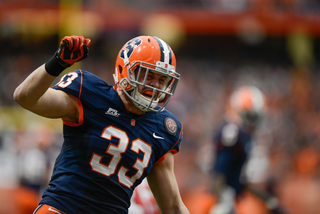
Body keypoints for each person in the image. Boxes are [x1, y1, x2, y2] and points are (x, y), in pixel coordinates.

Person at [14, 35, 189, 214]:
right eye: (148, 75)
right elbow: (25, 98)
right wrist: (57, 63)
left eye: (162, 79)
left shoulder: (163, 129)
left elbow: (174, 207)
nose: (155, 85)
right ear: (125, 70)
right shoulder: (91, 94)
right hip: (62, 208)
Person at [209, 86, 285, 214]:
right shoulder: (232, 133)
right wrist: (222, 203)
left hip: (232, 199)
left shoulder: (244, 137)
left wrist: (268, 200)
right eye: (250, 117)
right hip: (223, 198)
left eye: (256, 117)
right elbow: (220, 174)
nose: (253, 122)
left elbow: (242, 180)